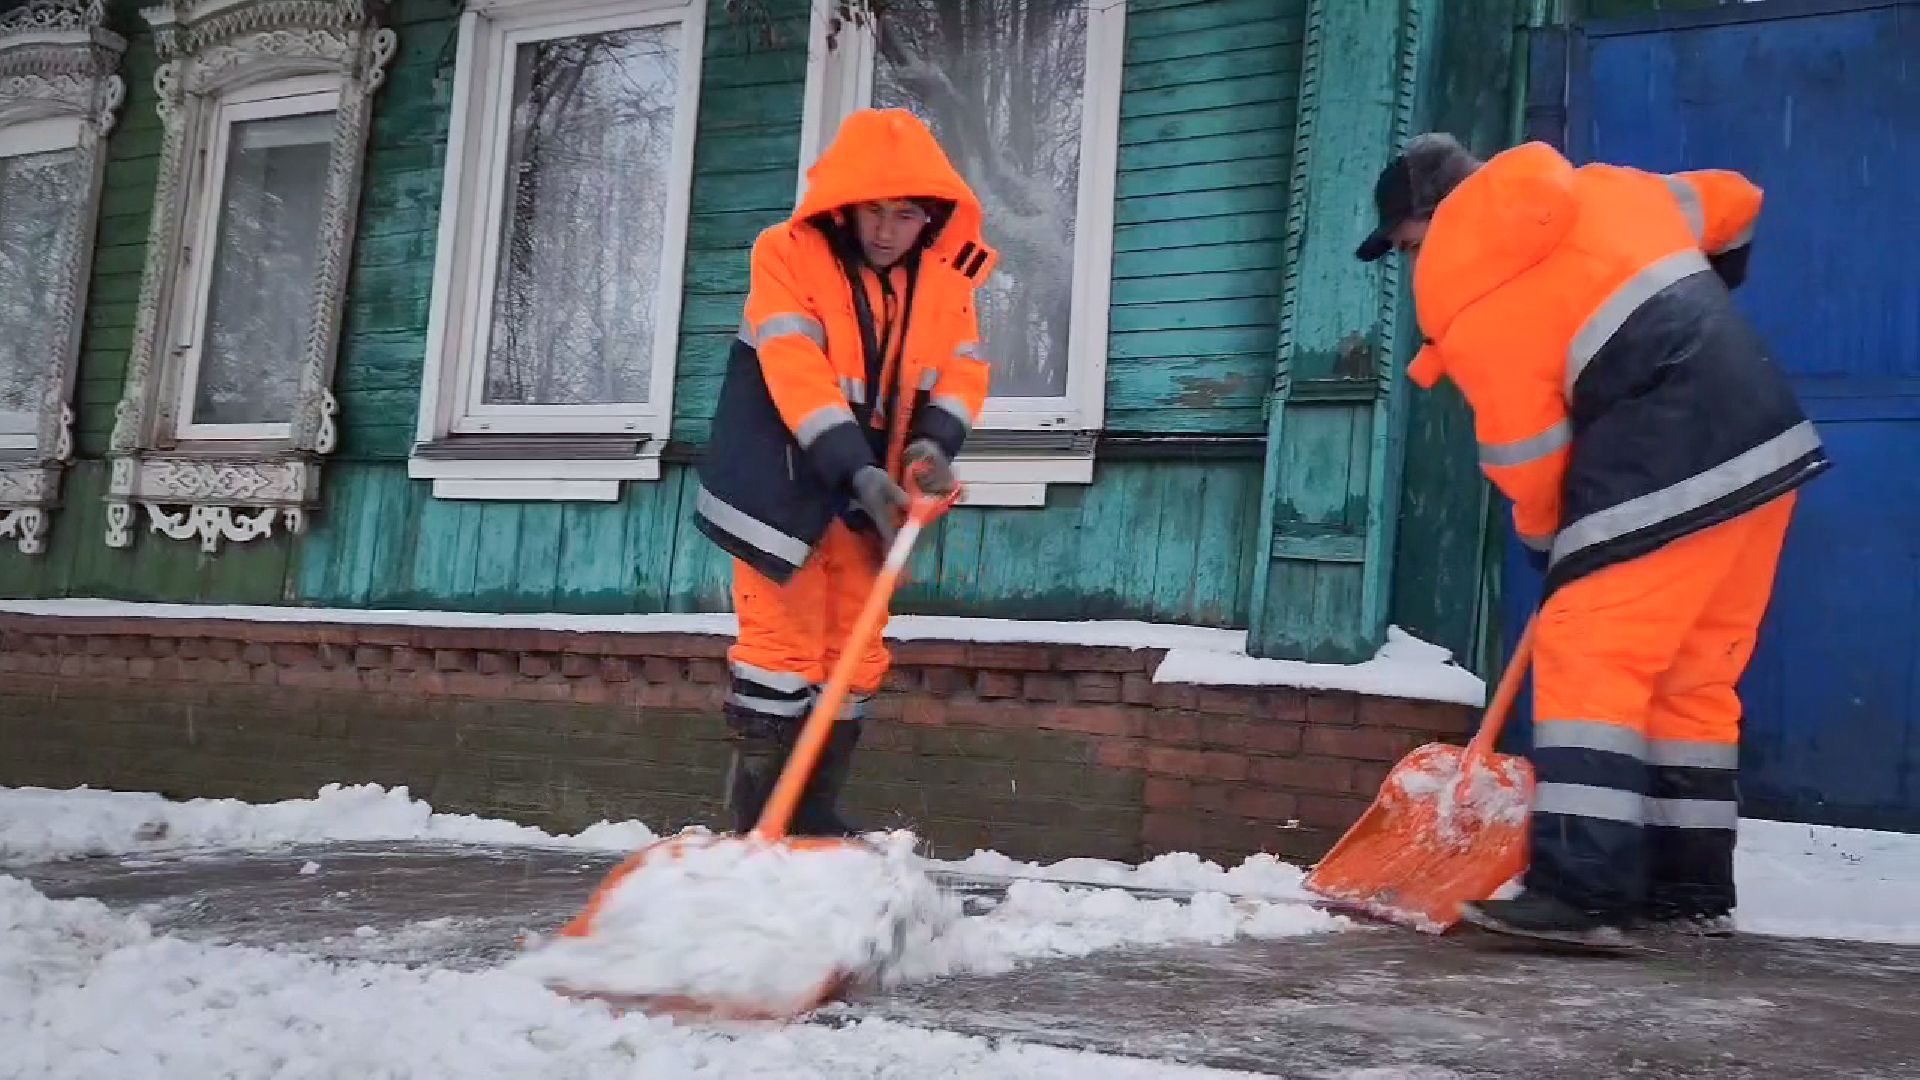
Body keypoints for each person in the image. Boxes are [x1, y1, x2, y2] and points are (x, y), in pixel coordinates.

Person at [1356, 133, 1829, 945]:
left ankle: (1584, 894)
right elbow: (1735, 198)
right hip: (1764, 439)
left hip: (1660, 456)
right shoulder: (1610, 189)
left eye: (1404, 243)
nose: (1408, 261)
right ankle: (1689, 890)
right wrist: (1704, 313)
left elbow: (1527, 455)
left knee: (1586, 651)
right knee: (1691, 677)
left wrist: (1549, 545)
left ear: (1428, 219)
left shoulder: (1469, 292)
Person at [693, 108, 996, 837]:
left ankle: (815, 818)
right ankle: (759, 828)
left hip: (875, 500)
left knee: (854, 657)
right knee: (780, 653)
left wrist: (932, 447)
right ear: (844, 206)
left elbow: (962, 371)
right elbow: (795, 372)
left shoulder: (946, 283)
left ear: (931, 216)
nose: (887, 230)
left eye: (905, 214)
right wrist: (856, 471)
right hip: (785, 483)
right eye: (873, 211)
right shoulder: (787, 255)